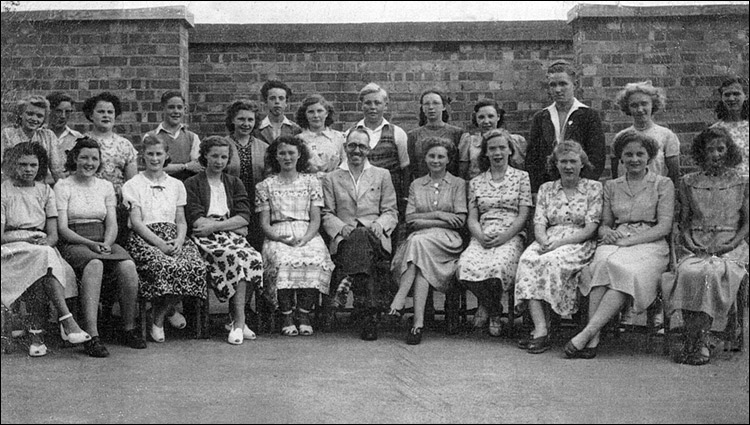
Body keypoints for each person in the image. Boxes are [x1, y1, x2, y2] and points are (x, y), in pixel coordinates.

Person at [567, 131, 675, 359]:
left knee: (621, 269)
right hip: (617, 238)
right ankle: (593, 337)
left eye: (640, 154)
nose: (634, 159)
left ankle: (588, 333)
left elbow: (664, 227)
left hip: (650, 243)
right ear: (621, 158)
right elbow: (605, 223)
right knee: (601, 265)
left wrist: (630, 241)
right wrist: (607, 232)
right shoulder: (612, 186)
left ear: (650, 157)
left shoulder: (663, 184)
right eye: (628, 155)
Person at [56, 137, 146, 357]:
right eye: (84, 157)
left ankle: (128, 328)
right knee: (94, 264)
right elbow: (63, 228)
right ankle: (92, 335)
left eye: (94, 158)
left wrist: (106, 243)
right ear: (75, 158)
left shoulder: (105, 186)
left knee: (127, 266)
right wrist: (91, 244)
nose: (89, 163)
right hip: (75, 241)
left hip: (104, 240)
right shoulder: (63, 185)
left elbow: (112, 223)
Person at [667, 127, 748, 366]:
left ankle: (698, 342)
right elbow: (684, 223)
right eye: (710, 149)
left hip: (730, 245)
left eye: (720, 149)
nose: (715, 154)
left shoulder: (741, 181)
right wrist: (689, 241)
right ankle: (697, 339)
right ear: (701, 153)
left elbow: (747, 223)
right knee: (690, 271)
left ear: (729, 151)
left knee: (711, 273)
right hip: (697, 244)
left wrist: (733, 242)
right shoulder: (689, 182)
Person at [1, 143, 91, 357]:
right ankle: (65, 321)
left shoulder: (45, 191)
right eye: (23, 164)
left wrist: (45, 242)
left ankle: (38, 336)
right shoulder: (3, 190)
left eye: (33, 165)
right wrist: (26, 238)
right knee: (45, 259)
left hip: (40, 247)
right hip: (11, 249)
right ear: (13, 165)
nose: (28, 169)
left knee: (45, 259)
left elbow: (52, 235)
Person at [514, 140, 603, 354]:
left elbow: (591, 227)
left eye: (573, 161)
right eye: (563, 162)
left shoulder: (593, 188)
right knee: (528, 260)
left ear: (582, 163)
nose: (568, 166)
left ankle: (550, 323)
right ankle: (541, 328)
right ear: (556, 164)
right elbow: (540, 222)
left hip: (578, 241)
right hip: (549, 238)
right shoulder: (547, 189)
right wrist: (543, 240)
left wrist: (558, 244)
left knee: (550, 260)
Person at [121, 136, 208, 343]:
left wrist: (179, 240)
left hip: (173, 236)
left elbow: (180, 219)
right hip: (146, 238)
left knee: (195, 266)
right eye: (150, 153)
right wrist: (159, 244)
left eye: (159, 154)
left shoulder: (177, 184)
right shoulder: (133, 184)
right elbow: (137, 222)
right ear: (143, 156)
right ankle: (165, 313)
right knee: (163, 265)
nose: (154, 158)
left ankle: (158, 317)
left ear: (166, 156)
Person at [185, 136, 264, 345]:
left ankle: (237, 319)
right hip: (206, 241)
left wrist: (217, 225)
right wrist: (231, 225)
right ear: (205, 157)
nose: (219, 161)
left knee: (253, 256)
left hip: (226, 234)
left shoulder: (233, 182)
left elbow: (244, 216)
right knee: (235, 257)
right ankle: (239, 322)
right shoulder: (192, 183)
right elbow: (196, 220)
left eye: (223, 157)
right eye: (214, 156)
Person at [321, 128, 399, 341]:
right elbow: (326, 212)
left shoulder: (382, 175)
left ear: (369, 148)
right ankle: (369, 317)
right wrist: (340, 227)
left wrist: (381, 224)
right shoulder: (331, 178)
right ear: (345, 147)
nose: (357, 150)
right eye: (352, 145)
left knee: (363, 234)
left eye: (362, 146)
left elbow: (391, 211)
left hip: (376, 237)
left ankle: (348, 282)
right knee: (358, 237)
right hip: (345, 239)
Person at [389, 137, 467, 345]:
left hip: (447, 241)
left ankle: (399, 299)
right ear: (425, 158)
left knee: (417, 244)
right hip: (421, 242)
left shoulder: (458, 184)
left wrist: (432, 218)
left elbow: (459, 220)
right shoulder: (416, 184)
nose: (436, 160)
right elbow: (410, 219)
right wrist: (441, 215)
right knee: (421, 264)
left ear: (448, 160)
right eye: (432, 156)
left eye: (441, 156)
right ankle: (418, 324)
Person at [456, 129, 532, 336]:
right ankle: (493, 307)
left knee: (497, 268)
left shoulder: (521, 178)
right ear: (485, 153)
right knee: (464, 267)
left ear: (510, 150)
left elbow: (523, 214)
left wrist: (505, 236)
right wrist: (479, 236)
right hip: (483, 233)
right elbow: (472, 217)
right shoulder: (476, 182)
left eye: (501, 148)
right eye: (492, 149)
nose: (497, 152)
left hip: (511, 234)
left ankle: (490, 311)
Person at [256, 136, 334, 337]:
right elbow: (264, 223)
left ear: (300, 155)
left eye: (291, 152)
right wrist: (279, 238)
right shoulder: (265, 186)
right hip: (278, 232)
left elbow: (315, 219)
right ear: (276, 156)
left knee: (316, 257)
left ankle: (304, 313)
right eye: (282, 153)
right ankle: (287, 315)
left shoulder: (311, 182)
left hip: (307, 231)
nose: (287, 157)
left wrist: (307, 238)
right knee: (282, 259)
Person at [526, 60, 606, 194]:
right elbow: (532, 159)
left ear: (574, 85)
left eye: (563, 84)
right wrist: (539, 189)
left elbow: (597, 157)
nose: (558, 90)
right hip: (548, 189)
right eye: (553, 85)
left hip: (581, 188)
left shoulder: (589, 116)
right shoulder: (541, 117)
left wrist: (581, 186)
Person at [344, 83, 409, 218]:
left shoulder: (397, 133)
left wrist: (404, 197)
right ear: (361, 105)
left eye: (377, 103)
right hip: (361, 196)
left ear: (385, 105)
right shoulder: (350, 133)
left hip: (389, 195)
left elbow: (405, 168)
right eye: (368, 103)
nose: (372, 107)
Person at [611, 81, 680, 185]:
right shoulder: (620, 137)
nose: (640, 109)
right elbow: (616, 176)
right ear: (628, 108)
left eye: (644, 104)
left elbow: (674, 175)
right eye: (634, 105)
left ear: (653, 104)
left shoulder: (667, 136)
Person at [223, 99, 268, 250]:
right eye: (241, 119)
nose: (246, 124)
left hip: (257, 205)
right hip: (230, 204)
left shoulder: (264, 148)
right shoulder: (222, 145)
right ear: (232, 120)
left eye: (250, 120)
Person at [81, 92, 138, 197]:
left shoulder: (124, 144)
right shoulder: (81, 142)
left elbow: (132, 183)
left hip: (118, 200)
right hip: (89, 197)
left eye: (110, 112)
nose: (106, 115)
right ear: (91, 115)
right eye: (101, 112)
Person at [458, 99, 526, 181]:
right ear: (476, 118)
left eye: (490, 116)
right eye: (481, 117)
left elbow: (522, 169)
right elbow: (462, 174)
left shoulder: (516, 141)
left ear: (498, 117)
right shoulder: (469, 142)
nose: (486, 121)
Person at [1, 95, 64, 183]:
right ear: (21, 114)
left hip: (39, 188)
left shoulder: (48, 136)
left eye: (39, 116)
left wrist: (64, 190)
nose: (34, 119)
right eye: (30, 114)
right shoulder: (7, 134)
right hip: (12, 187)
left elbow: (57, 170)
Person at [142, 91, 204, 182]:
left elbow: (197, 167)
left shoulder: (192, 137)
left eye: (179, 107)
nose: (176, 111)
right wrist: (185, 166)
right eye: (171, 107)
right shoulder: (151, 136)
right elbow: (152, 167)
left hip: (185, 188)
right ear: (162, 108)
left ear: (184, 109)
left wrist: (168, 167)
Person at [406, 89, 464, 180]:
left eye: (436, 103)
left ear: (444, 106)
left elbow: (460, 167)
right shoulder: (413, 135)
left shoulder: (457, 133)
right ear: (422, 108)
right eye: (426, 104)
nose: (431, 107)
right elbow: (411, 167)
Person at [295, 94, 346, 178]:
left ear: (326, 113)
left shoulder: (340, 137)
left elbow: (345, 165)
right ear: (305, 115)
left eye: (319, 111)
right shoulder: (299, 140)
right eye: (311, 112)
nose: (316, 115)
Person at [710, 76, 749, 177]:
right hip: (728, 186)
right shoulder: (715, 130)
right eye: (727, 95)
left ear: (746, 96)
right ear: (722, 98)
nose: (731, 98)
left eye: (736, 94)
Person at [46, 92, 83, 178]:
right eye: (58, 111)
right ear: (49, 111)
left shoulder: (77, 138)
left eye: (67, 112)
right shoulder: (39, 135)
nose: (63, 116)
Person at [253, 80, 302, 144]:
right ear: (266, 102)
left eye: (281, 98)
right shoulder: (257, 129)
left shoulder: (296, 129)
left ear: (286, 103)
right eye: (272, 98)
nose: (277, 102)